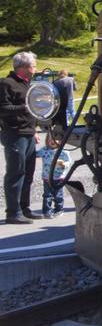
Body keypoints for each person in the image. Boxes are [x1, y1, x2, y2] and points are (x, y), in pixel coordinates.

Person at [0, 51, 41, 223]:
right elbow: (3, 109)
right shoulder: (6, 84)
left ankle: (24, 208)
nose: (35, 68)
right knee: (16, 173)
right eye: (33, 65)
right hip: (14, 134)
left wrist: (35, 130)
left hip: (29, 133)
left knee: (28, 173)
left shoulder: (27, 84)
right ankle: (13, 212)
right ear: (23, 68)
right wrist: (25, 107)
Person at [39, 132, 72, 218]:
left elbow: (68, 161)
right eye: (51, 139)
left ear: (61, 140)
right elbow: (35, 154)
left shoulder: (63, 151)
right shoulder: (44, 150)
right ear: (47, 140)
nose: (53, 141)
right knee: (47, 195)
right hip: (47, 177)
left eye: (56, 139)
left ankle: (59, 209)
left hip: (58, 178)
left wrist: (64, 164)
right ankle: (47, 211)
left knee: (58, 195)